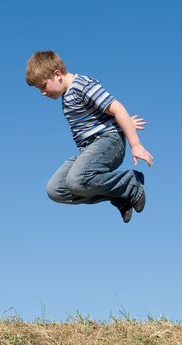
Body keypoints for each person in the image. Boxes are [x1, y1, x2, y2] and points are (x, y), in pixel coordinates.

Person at [25, 50, 153, 223]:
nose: (42, 92)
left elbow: (117, 108)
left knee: (76, 180)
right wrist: (122, 123)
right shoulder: (66, 95)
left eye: (43, 86)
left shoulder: (81, 85)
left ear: (57, 75)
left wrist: (135, 144)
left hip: (108, 142)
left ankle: (131, 183)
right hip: (88, 147)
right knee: (55, 189)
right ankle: (119, 195)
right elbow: (98, 117)